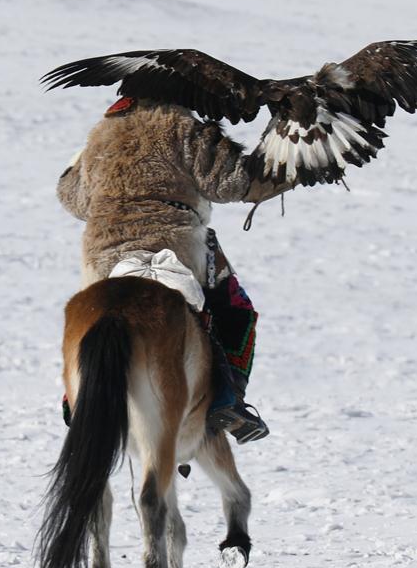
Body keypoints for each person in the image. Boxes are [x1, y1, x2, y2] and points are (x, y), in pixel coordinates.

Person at [56, 96, 286, 443]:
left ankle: (77, 396)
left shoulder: (101, 133)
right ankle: (227, 398)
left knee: (92, 313)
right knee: (235, 308)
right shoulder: (182, 128)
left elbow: (72, 199)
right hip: (174, 245)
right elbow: (233, 184)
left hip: (103, 252)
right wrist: (292, 167)